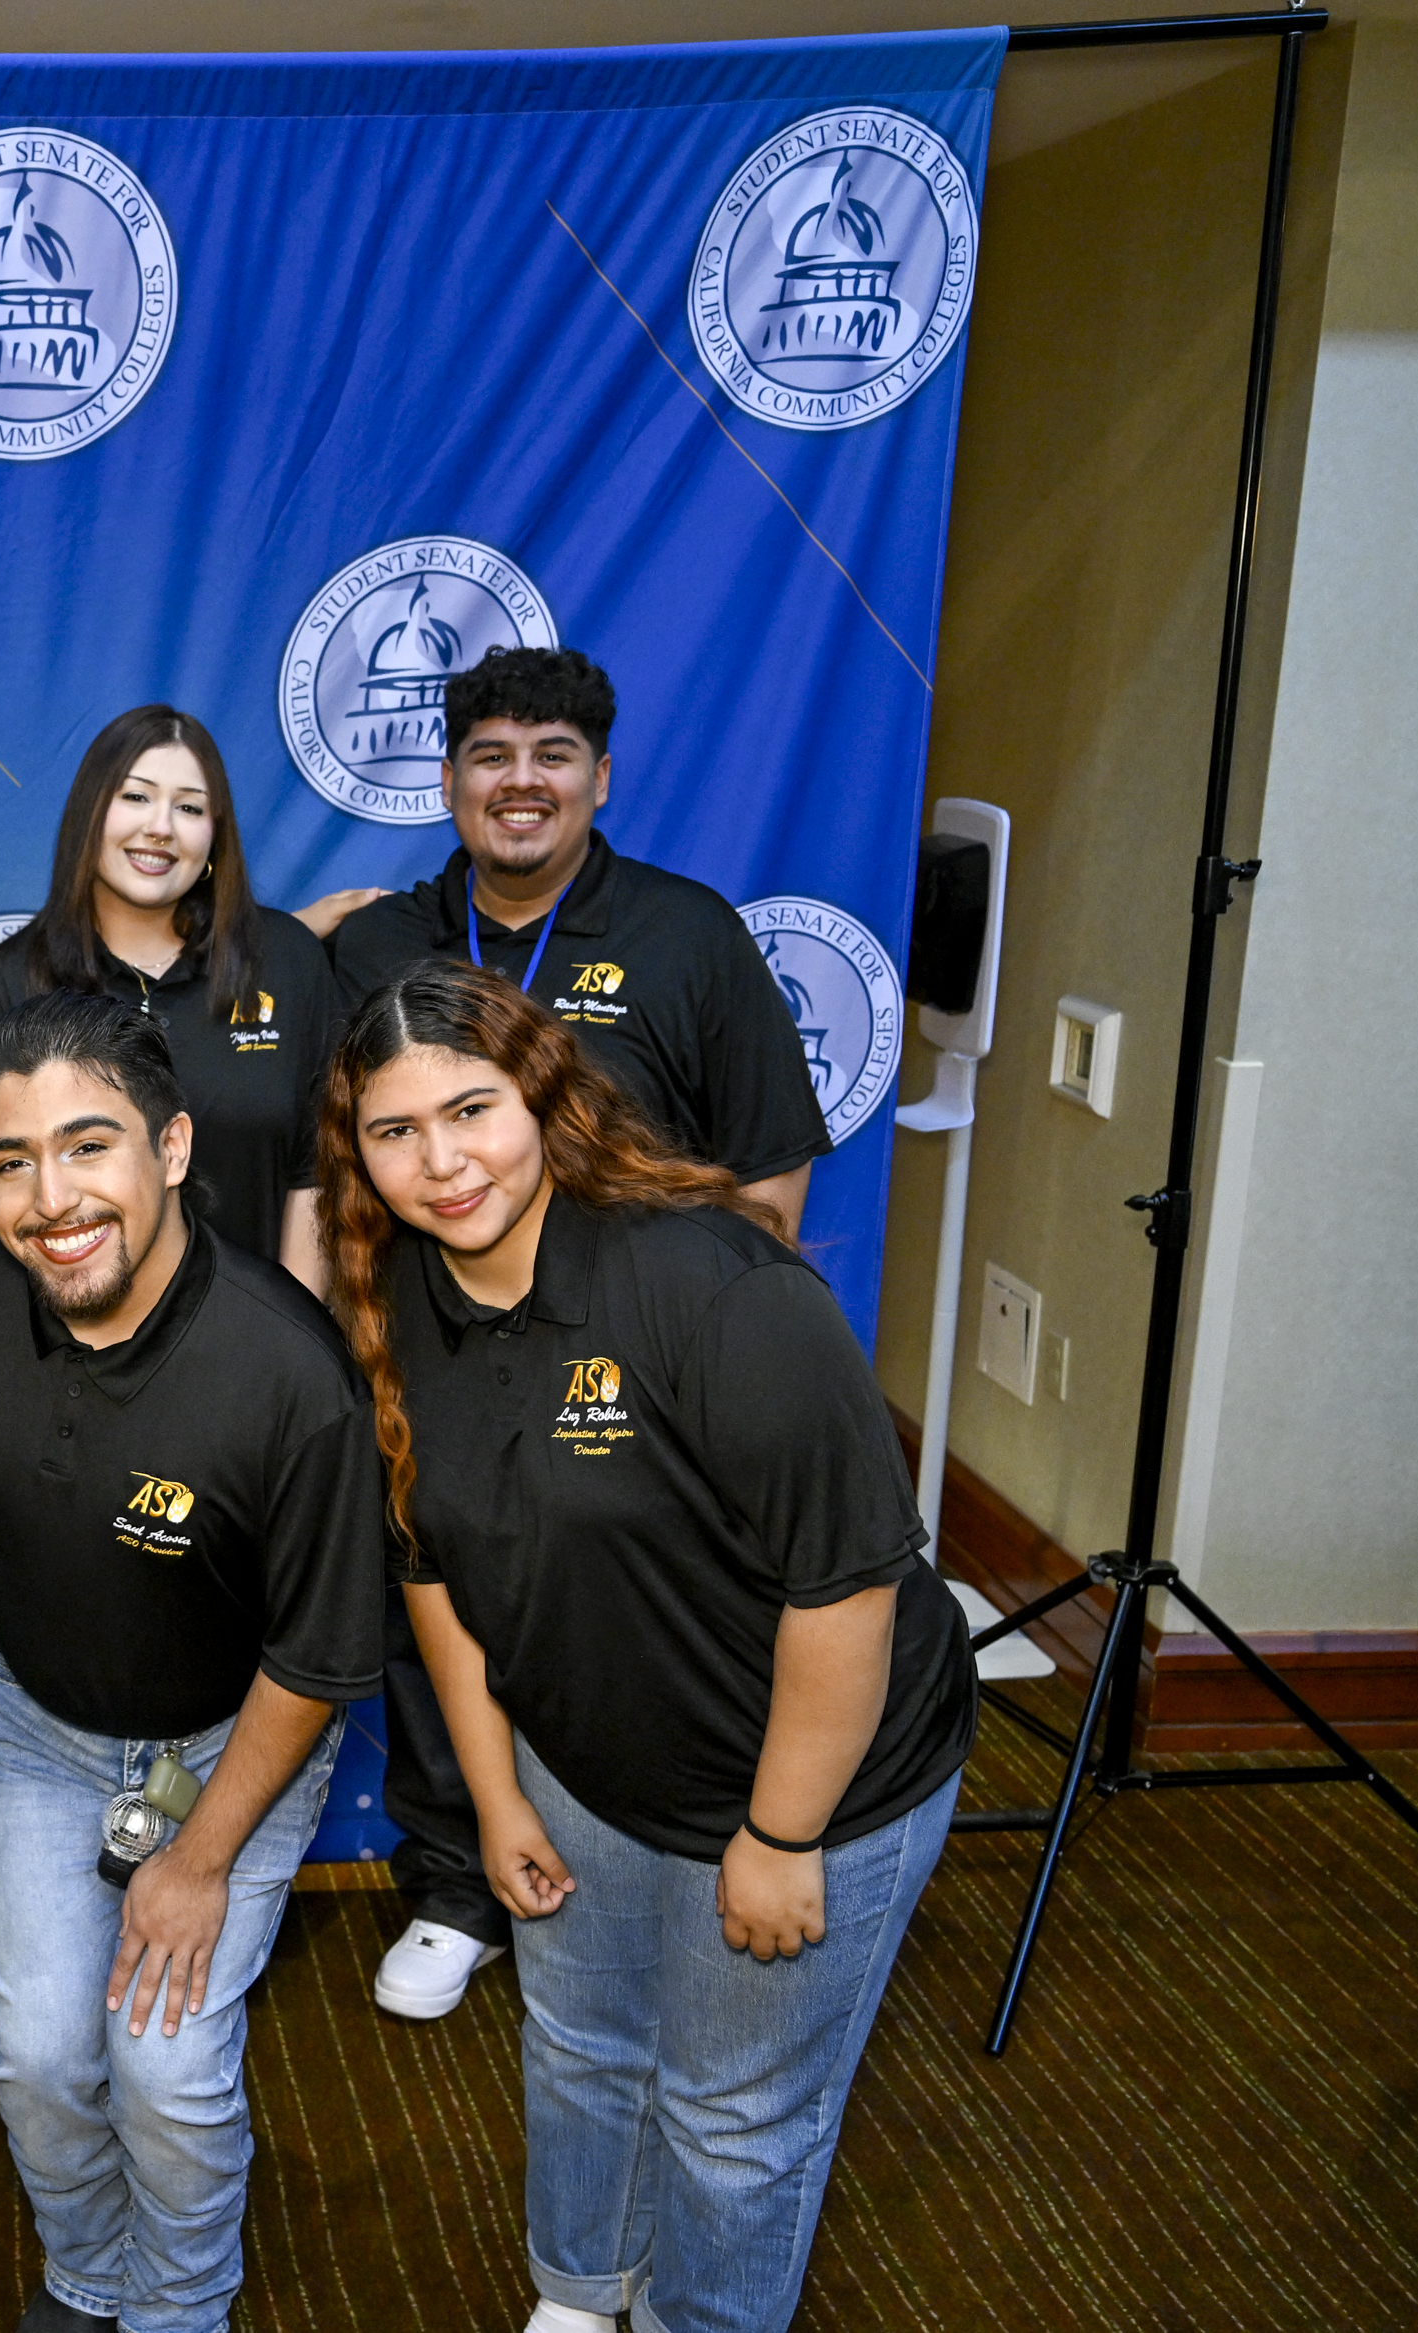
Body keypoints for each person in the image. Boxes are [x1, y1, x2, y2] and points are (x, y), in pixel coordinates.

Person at [320, 962, 973, 2333]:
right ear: (357, 1154)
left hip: (811, 1780)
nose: (441, 1162)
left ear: (543, 1095)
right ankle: (581, 2294)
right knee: (582, 2054)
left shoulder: (711, 1281)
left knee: (733, 2119)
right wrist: (496, 1797)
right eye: (395, 1130)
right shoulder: (398, 1302)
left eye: (471, 1108)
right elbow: (431, 1569)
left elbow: (848, 1587)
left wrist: (786, 1834)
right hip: (588, 1766)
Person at [319, 646, 832, 2022]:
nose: (522, 780)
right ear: (448, 783)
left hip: (647, 1360)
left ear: (601, 778)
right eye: (491, 755)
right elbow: (308, 1128)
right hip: (450, 1356)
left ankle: (693, 1833)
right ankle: (456, 1881)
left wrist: (719, 1338)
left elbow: (772, 1169)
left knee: (637, 1609)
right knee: (444, 1594)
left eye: (554, 755)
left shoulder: (687, 933)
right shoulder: (379, 944)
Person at [0, 990, 385, 2333]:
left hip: (223, 1751)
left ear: (173, 1149)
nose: (51, 1196)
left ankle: (180, 2310)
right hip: (39, 1731)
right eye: (11, 1161)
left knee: (168, 2072)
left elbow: (316, 1658)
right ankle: (88, 2275)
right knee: (38, 2059)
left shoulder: (289, 1375)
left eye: (90, 1146)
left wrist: (196, 1857)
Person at [0, 706, 340, 1282]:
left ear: (215, 833)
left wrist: (294, 1340)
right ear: (88, 814)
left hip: (257, 1345)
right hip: (70, 1354)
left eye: (189, 807)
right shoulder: (0, 989)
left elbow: (316, 1174)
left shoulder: (286, 958)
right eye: (135, 797)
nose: (160, 826)